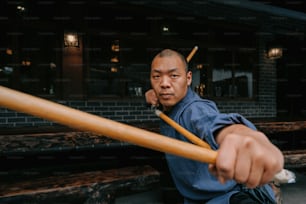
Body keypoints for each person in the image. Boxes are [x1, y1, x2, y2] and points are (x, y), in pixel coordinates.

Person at [145, 49, 284, 204]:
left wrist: (239, 134)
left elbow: (213, 123)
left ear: (189, 78)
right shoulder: (165, 101)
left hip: (227, 196)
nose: (164, 84)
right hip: (194, 196)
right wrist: (150, 96)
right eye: (157, 76)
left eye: (174, 76)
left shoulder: (195, 109)